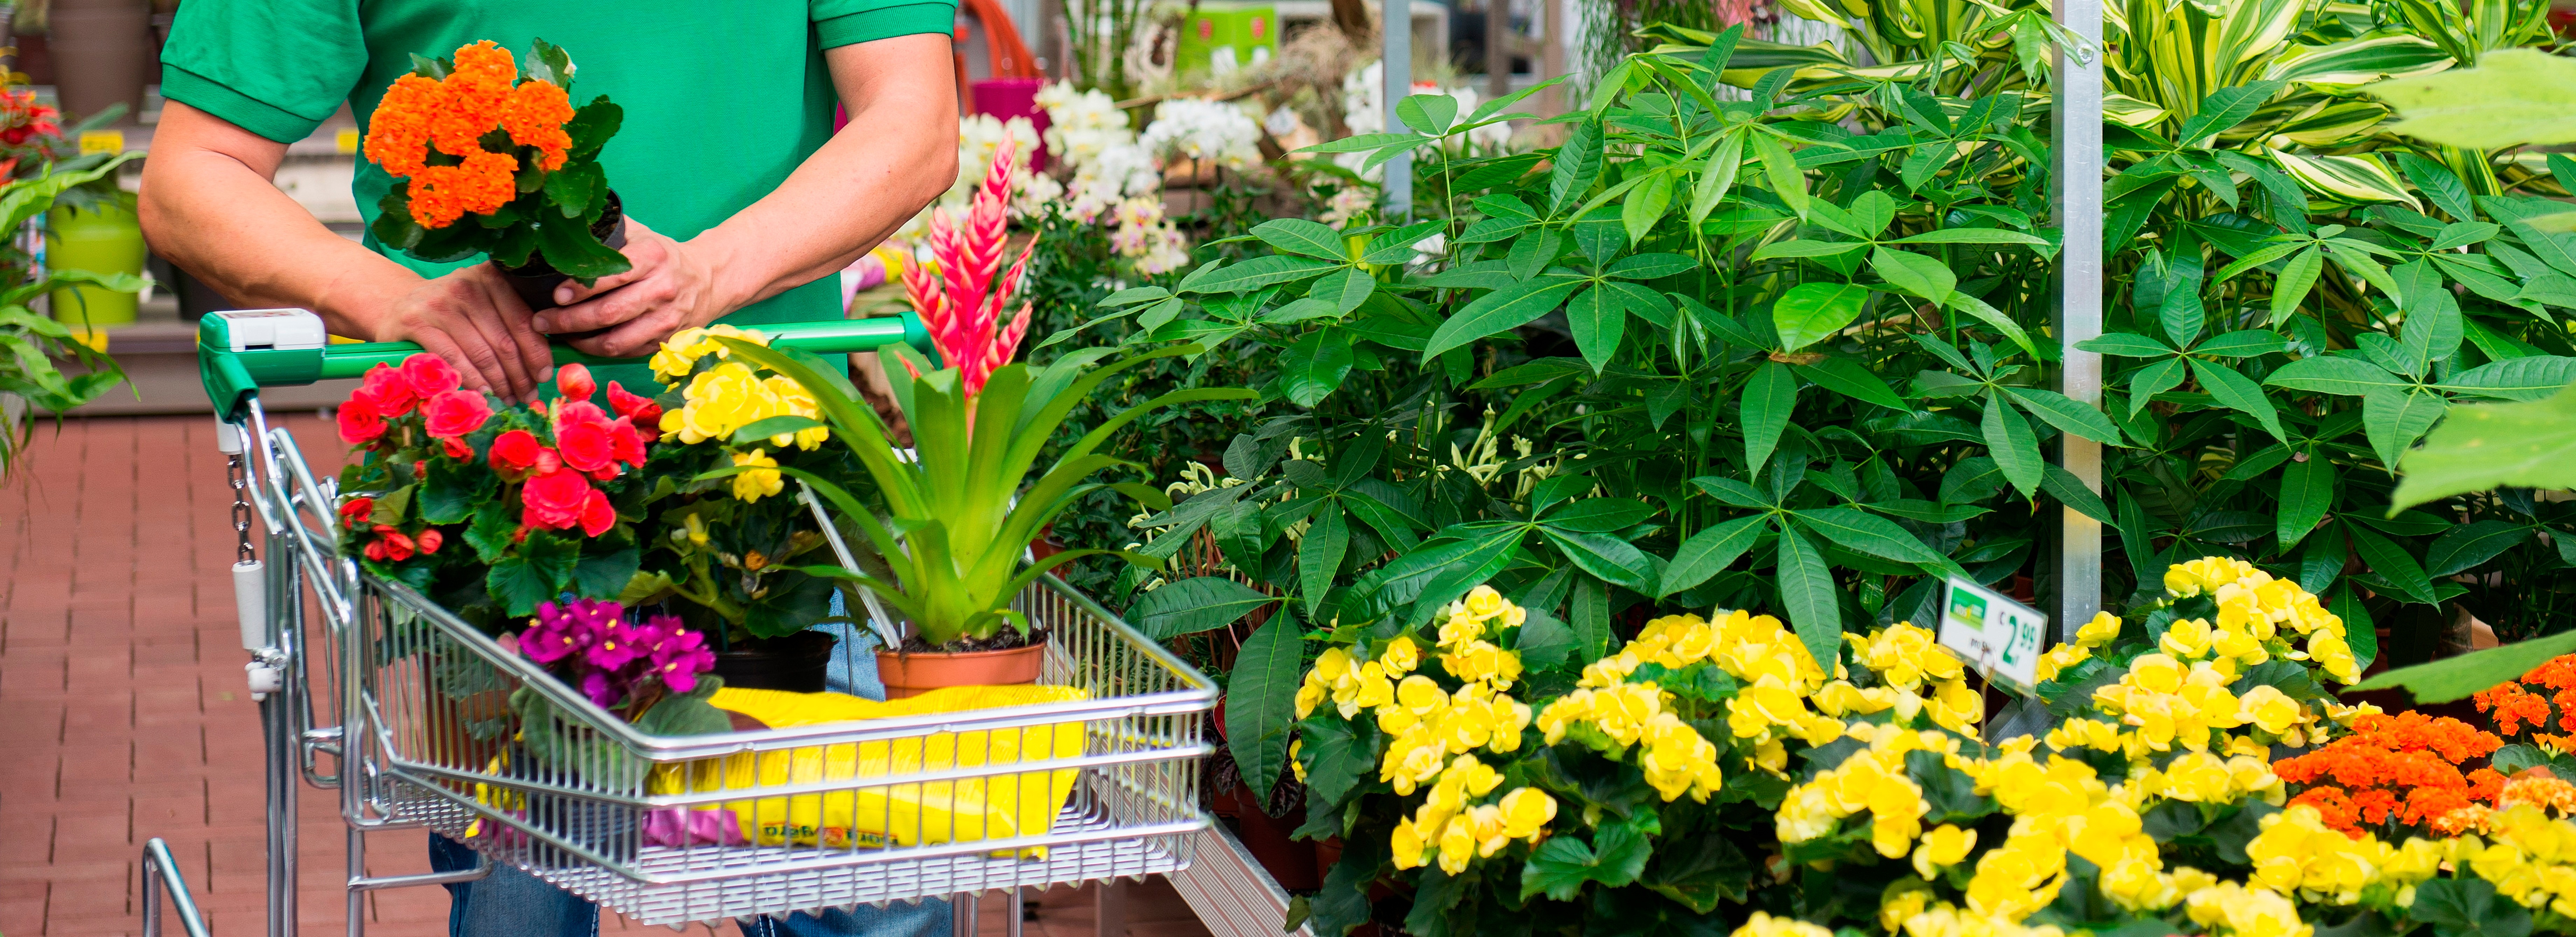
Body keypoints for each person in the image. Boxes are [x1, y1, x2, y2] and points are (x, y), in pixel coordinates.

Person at [138, 4, 962, 935]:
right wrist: (386, 296)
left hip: (775, 488)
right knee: (520, 907)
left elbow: (916, 121)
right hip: (504, 499)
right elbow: (189, 178)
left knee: (871, 901)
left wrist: (706, 274)